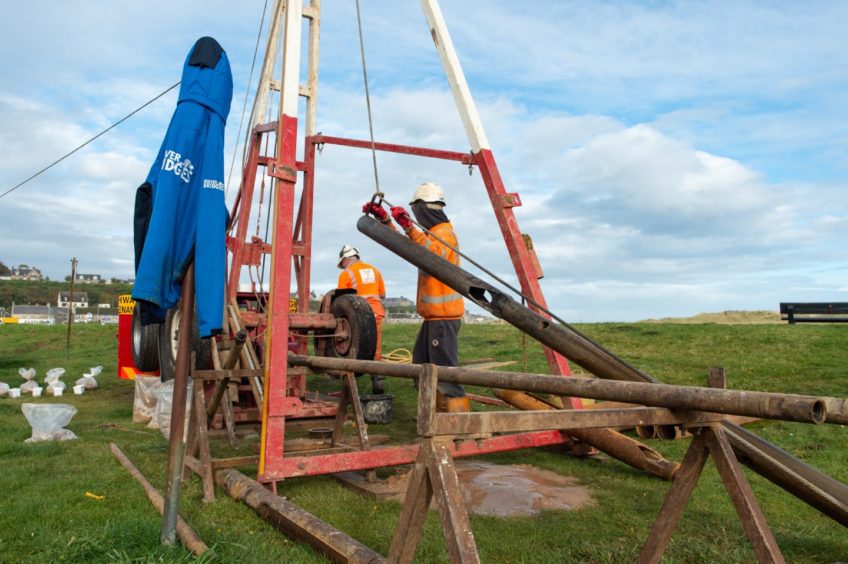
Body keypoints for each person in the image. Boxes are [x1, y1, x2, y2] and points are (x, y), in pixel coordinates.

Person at [362, 182, 469, 412]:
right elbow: (409, 247)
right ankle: (433, 416)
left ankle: (457, 421)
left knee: (445, 373)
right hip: (433, 319)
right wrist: (386, 222)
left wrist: (408, 226)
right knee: (421, 368)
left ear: (425, 209)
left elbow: (427, 252)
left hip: (443, 318)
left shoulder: (444, 234)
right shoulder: (432, 234)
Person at [337, 245, 387, 394]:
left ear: (346, 259)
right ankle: (377, 380)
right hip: (376, 312)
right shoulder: (375, 270)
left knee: (352, 345)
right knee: (375, 347)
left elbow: (341, 299)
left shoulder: (347, 274)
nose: (342, 266)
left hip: (356, 314)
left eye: (342, 264)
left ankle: (348, 384)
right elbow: (382, 294)